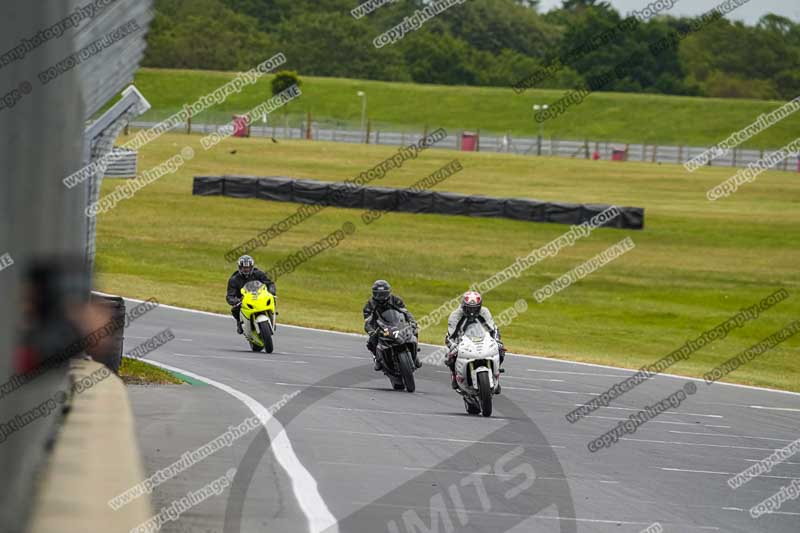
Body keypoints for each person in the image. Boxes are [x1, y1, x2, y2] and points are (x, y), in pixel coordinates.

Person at [444, 291, 505, 392]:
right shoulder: (455, 315)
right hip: (461, 339)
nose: (472, 311)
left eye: (475, 308)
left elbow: (493, 328)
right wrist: (453, 346)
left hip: (481, 338)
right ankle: (455, 377)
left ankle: (496, 376)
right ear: (463, 305)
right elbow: (450, 335)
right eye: (469, 308)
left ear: (480, 306)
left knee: (501, 350)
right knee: (449, 355)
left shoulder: (484, 312)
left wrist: (497, 340)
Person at [363, 279, 421, 371]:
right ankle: (378, 359)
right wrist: (372, 331)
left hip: (396, 323)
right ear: (374, 293)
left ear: (388, 293)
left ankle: (415, 354)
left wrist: (412, 322)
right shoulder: (369, 305)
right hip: (380, 327)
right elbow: (368, 321)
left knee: (415, 329)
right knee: (371, 342)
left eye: (383, 294)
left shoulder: (396, 300)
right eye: (378, 294)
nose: (380, 297)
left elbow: (406, 313)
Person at [226, 255, 276, 334]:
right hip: (243, 300)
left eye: (248, 267)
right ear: (239, 267)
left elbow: (269, 283)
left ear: (252, 267)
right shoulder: (234, 279)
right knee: (234, 309)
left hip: (259, 295)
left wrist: (271, 291)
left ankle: (272, 315)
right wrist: (235, 301)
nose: (246, 270)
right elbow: (229, 296)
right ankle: (239, 322)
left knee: (272, 298)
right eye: (244, 268)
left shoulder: (259, 274)